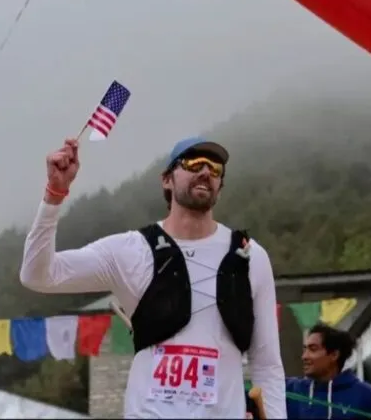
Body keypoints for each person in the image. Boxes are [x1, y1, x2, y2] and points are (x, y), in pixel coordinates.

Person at [20, 137, 286, 419]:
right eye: (193, 162)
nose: (205, 171)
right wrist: (54, 195)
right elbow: (38, 275)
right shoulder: (131, 250)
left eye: (215, 167)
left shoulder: (250, 257)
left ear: (220, 185)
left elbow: (267, 365)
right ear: (167, 180)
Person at [285, 323, 371, 419]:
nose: (304, 356)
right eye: (305, 350)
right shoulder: (291, 390)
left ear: (334, 355)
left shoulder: (364, 395)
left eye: (313, 349)